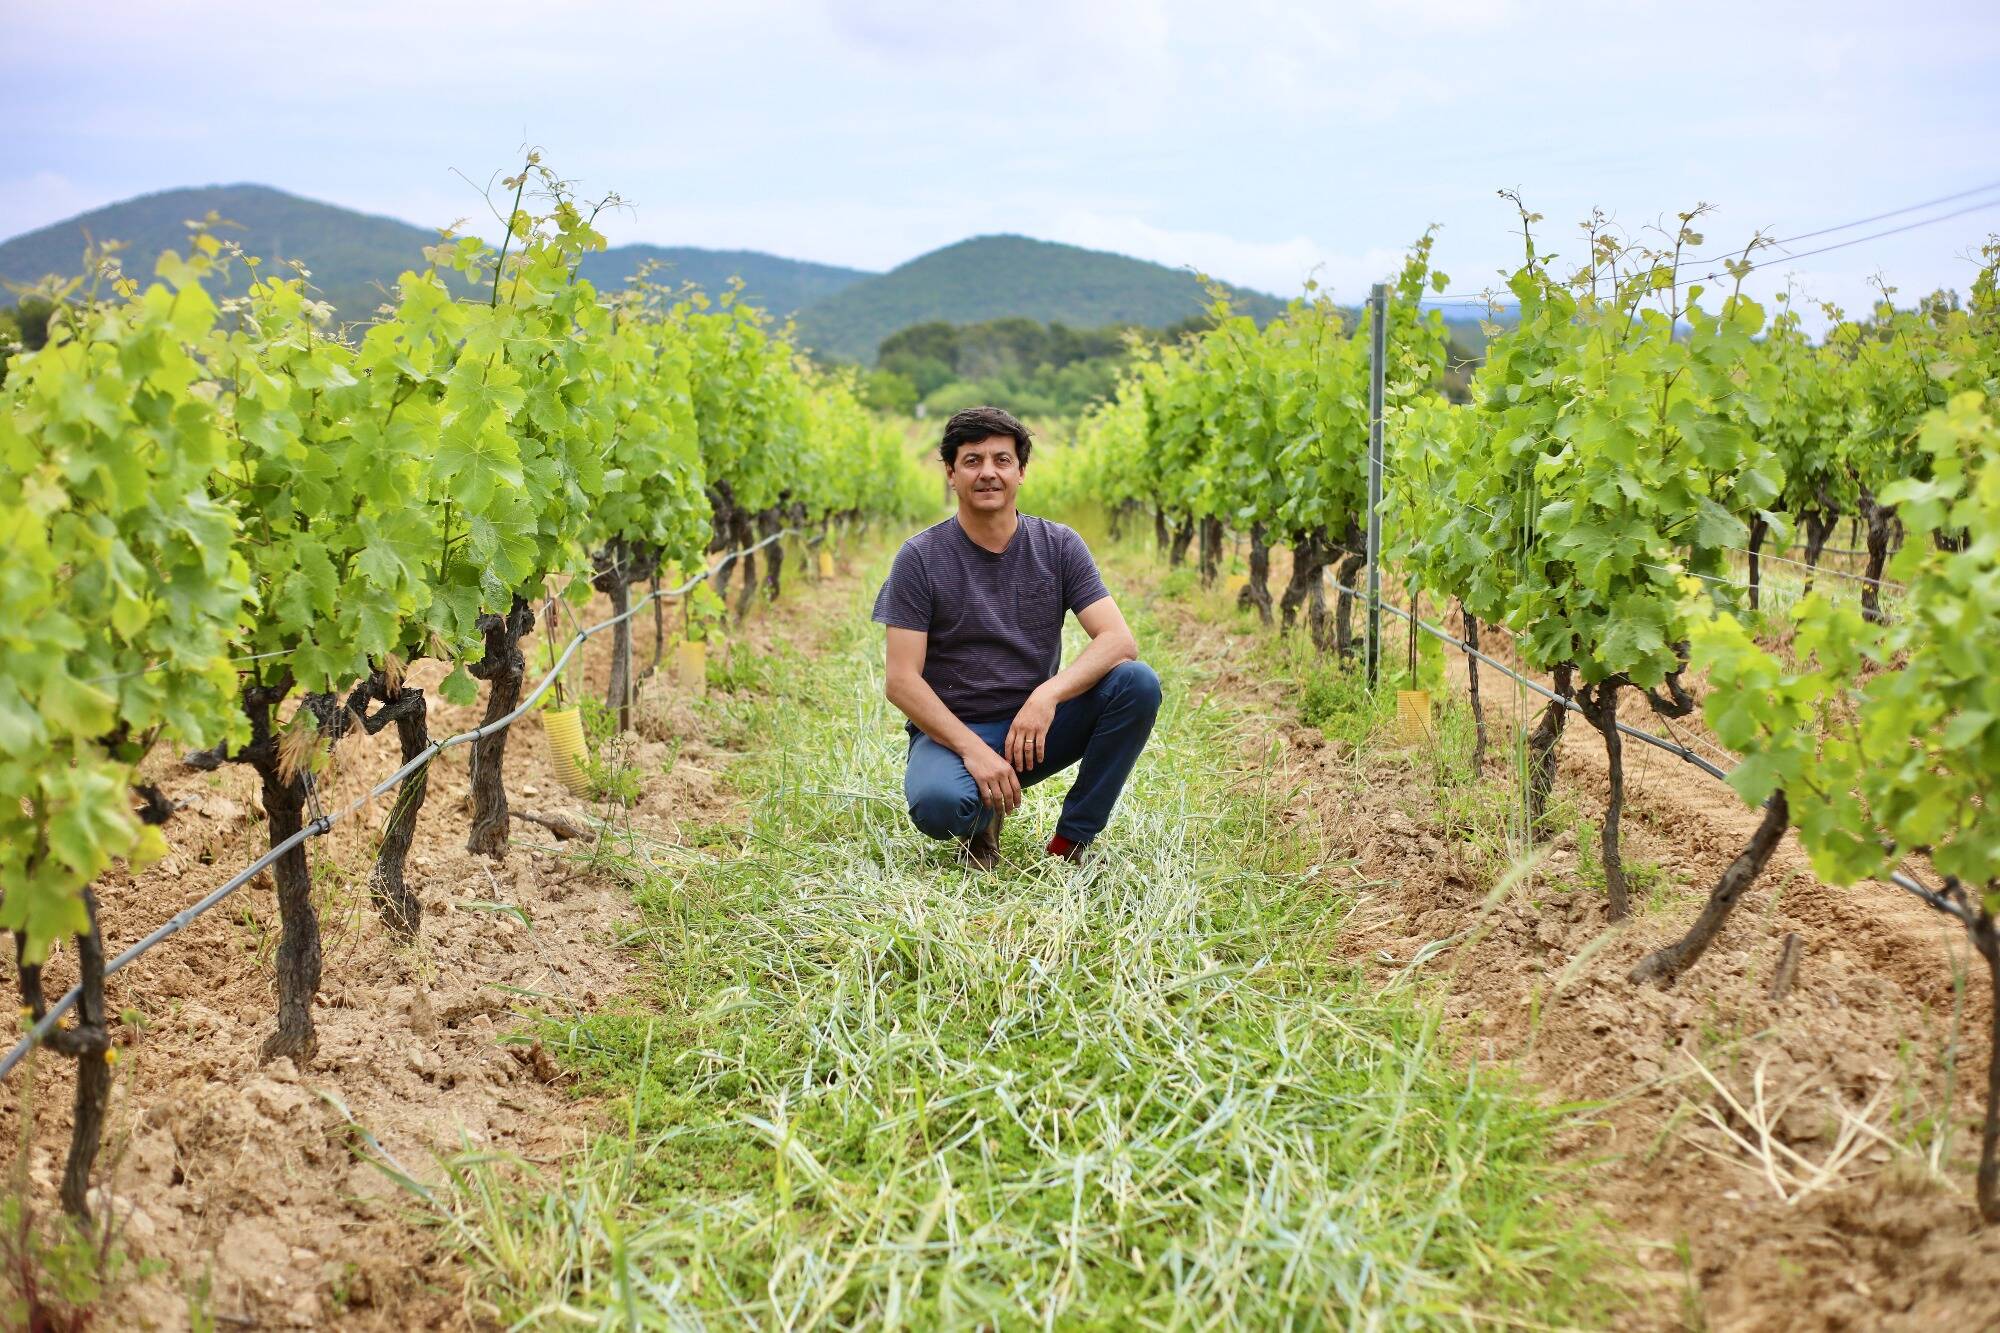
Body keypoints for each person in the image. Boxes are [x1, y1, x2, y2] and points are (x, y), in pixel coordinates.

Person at [872, 405, 1162, 868]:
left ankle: (1072, 841)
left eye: (1002, 460)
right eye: (972, 460)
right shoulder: (919, 558)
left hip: (1037, 730)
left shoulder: (1059, 545)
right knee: (938, 806)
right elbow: (901, 681)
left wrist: (1047, 696)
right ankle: (978, 818)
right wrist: (971, 750)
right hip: (955, 730)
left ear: (1021, 471)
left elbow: (1117, 640)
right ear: (951, 472)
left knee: (1136, 683)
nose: (988, 473)